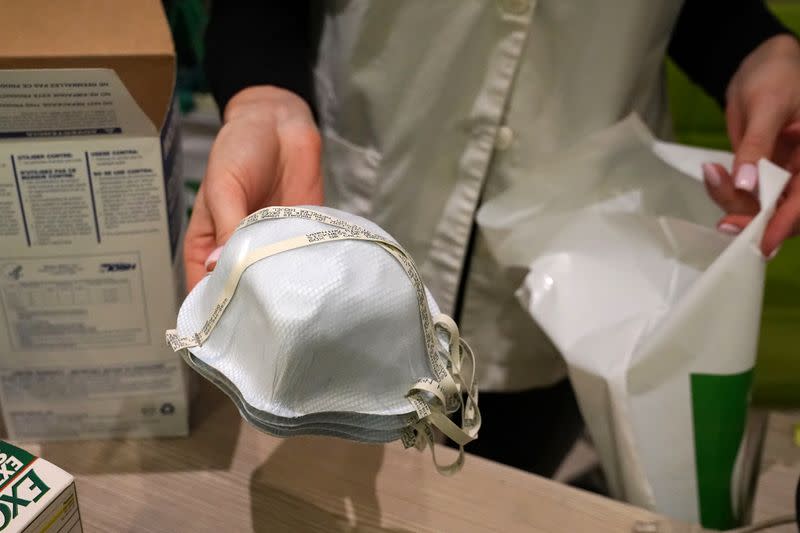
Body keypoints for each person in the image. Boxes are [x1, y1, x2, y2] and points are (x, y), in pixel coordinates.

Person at [188, 2, 800, 478]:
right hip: (348, 224)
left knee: (513, 485)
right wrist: (262, 90)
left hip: (573, 257)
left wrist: (755, 46)